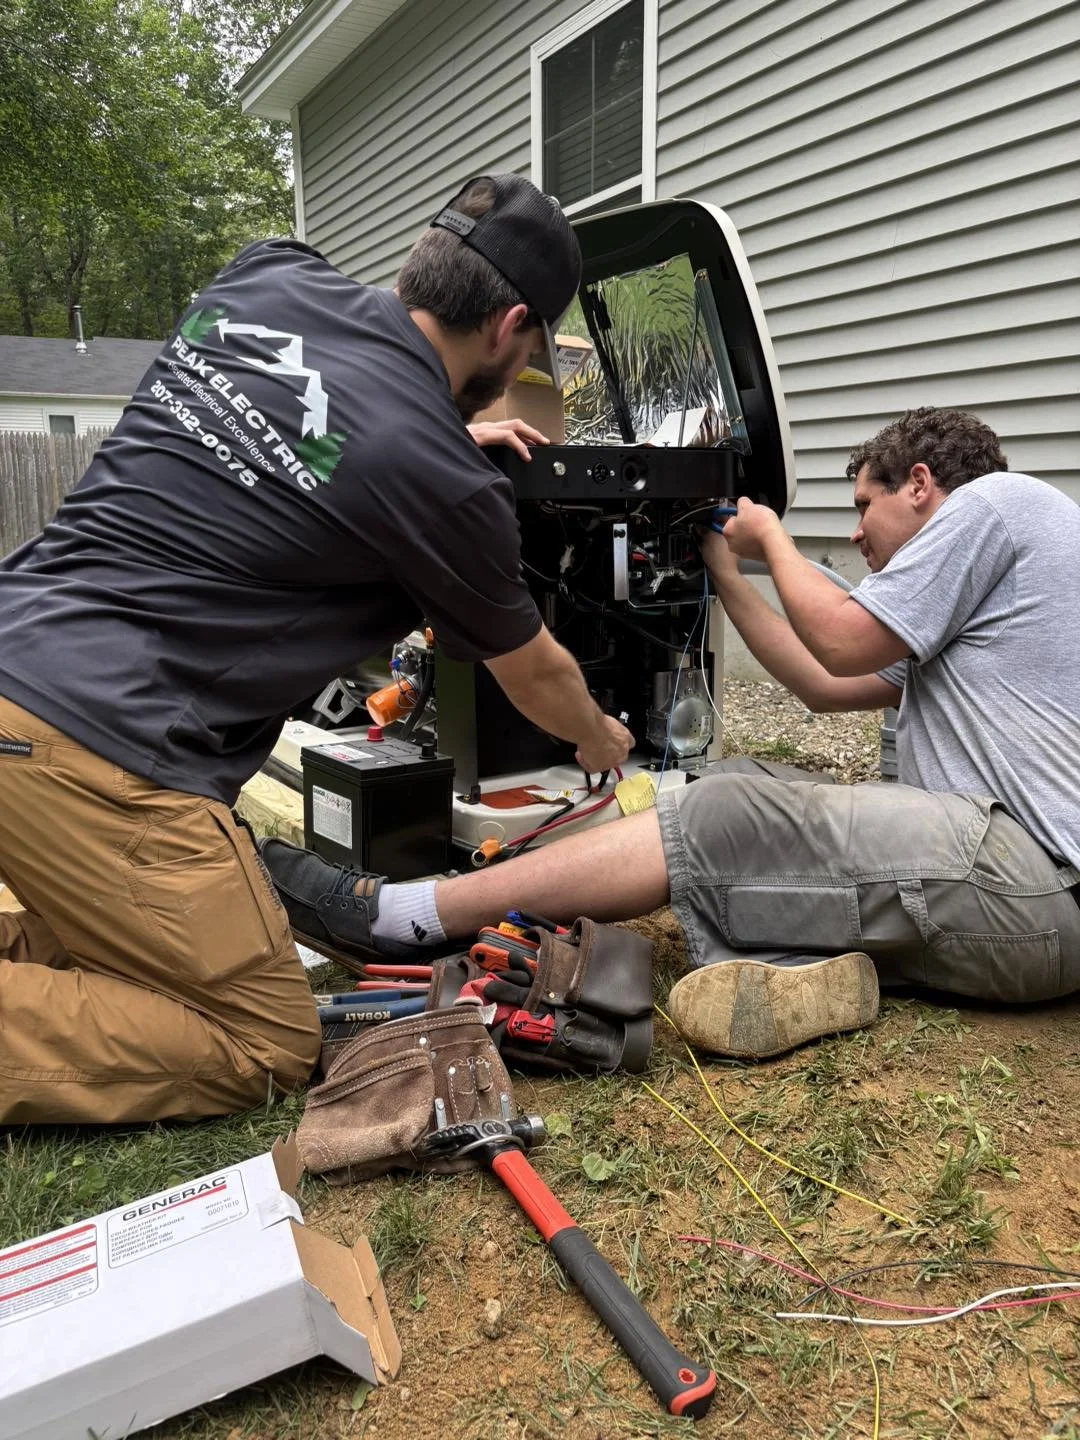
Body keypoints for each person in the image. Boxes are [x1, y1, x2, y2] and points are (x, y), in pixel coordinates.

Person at [0, 173, 633, 1125]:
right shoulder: (442, 480)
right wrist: (596, 740)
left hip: (19, 653)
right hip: (110, 752)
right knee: (265, 1038)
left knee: (109, 948)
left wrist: (448, 436)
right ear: (510, 327)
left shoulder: (268, 276)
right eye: (539, 342)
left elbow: (330, 417)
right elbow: (535, 672)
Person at [266, 408, 1080, 1058]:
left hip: (1034, 883)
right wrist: (726, 572)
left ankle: (401, 915)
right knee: (737, 783)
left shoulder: (993, 506)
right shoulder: (974, 594)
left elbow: (840, 638)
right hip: (1004, 892)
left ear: (924, 485)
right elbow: (824, 685)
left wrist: (773, 541)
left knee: (723, 820)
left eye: (866, 507)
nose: (861, 535)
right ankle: (812, 974)